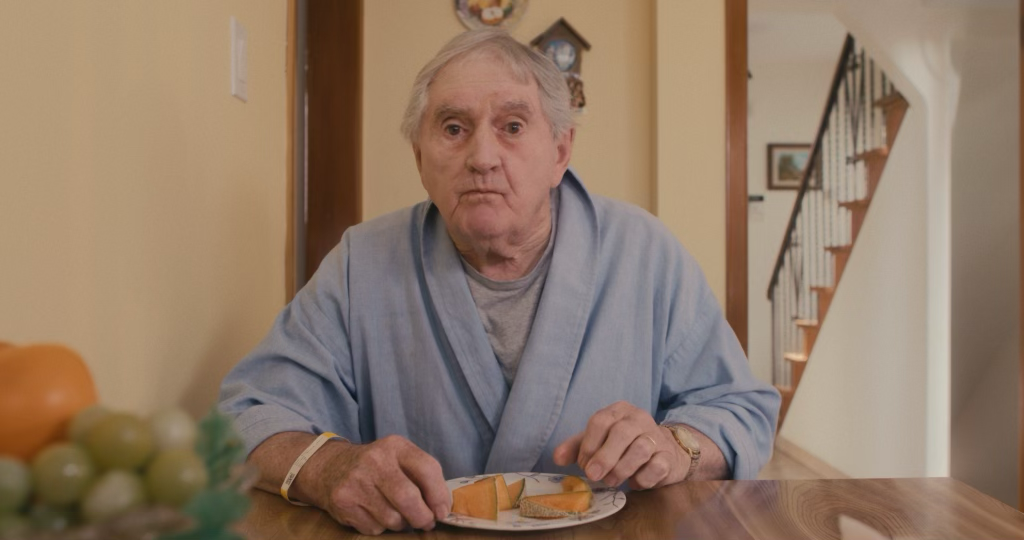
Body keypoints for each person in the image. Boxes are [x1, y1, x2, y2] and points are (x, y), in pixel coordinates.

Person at [219, 28, 779, 536]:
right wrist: (326, 466)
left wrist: (677, 448)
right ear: (420, 157)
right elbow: (243, 417)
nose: (482, 157)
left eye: (512, 127)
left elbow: (741, 408)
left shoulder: (646, 253)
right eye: (453, 128)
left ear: (560, 152)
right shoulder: (360, 264)